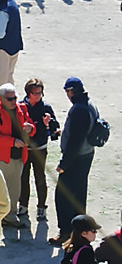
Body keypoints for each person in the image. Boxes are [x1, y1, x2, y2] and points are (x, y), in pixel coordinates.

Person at [49, 77, 99, 246]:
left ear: (70, 91)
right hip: (86, 155)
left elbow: (75, 141)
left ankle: (65, 233)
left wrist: (64, 164)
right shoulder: (89, 104)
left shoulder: (79, 110)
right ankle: (80, 233)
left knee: (63, 196)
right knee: (78, 195)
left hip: (76, 158)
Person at [0, 83, 36, 228]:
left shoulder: (21, 108)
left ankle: (10, 216)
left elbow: (31, 126)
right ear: (1, 98)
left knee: (14, 189)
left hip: (17, 158)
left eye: (15, 98)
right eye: (10, 99)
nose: (14, 101)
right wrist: (12, 142)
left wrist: (30, 128)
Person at [18, 78, 60, 221]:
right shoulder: (20, 107)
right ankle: (23, 205)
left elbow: (55, 131)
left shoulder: (46, 108)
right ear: (28, 93)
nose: (38, 96)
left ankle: (41, 207)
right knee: (23, 178)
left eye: (40, 93)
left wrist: (48, 124)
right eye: (35, 93)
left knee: (40, 178)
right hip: (24, 149)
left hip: (40, 148)